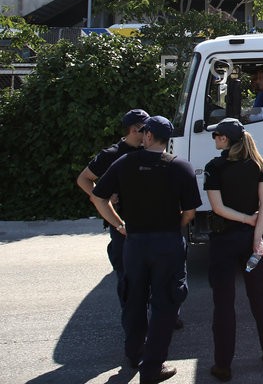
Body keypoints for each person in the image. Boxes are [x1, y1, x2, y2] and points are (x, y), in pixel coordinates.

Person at [92, 116, 202, 384]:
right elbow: (190, 212)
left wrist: (119, 225)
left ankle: (134, 355)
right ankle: (152, 368)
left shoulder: (124, 163)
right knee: (165, 304)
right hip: (167, 243)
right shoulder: (181, 168)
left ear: (150, 136)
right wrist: (173, 225)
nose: (142, 136)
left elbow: (98, 196)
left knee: (134, 299)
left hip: (136, 243)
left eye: (144, 132)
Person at [203, 118, 263, 382]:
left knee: (224, 303)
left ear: (225, 139)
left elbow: (218, 208)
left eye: (216, 135)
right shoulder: (257, 166)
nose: (214, 139)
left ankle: (223, 365)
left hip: (224, 241)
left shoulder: (215, 167)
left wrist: (246, 220)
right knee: (260, 297)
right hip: (251, 241)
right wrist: (256, 234)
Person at [76, 109, 149, 320]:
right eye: (145, 129)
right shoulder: (111, 154)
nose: (148, 134)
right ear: (134, 129)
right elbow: (84, 179)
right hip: (121, 224)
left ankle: (165, 317)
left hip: (148, 222)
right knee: (126, 275)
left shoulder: (150, 150)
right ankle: (131, 317)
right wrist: (102, 196)